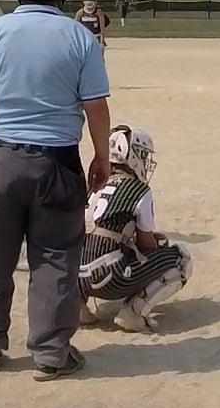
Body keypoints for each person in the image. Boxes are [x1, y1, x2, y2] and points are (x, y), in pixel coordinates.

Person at [0, 0, 112, 382]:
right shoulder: (79, 37)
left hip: (0, 159)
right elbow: (95, 106)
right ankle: (51, 353)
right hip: (56, 161)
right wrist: (101, 156)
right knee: (56, 259)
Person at [80, 125, 191, 333]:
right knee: (181, 259)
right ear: (131, 155)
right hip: (110, 278)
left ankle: (76, 305)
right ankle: (133, 313)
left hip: (76, 275)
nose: (145, 161)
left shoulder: (96, 184)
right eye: (143, 155)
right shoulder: (138, 190)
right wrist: (156, 246)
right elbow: (146, 245)